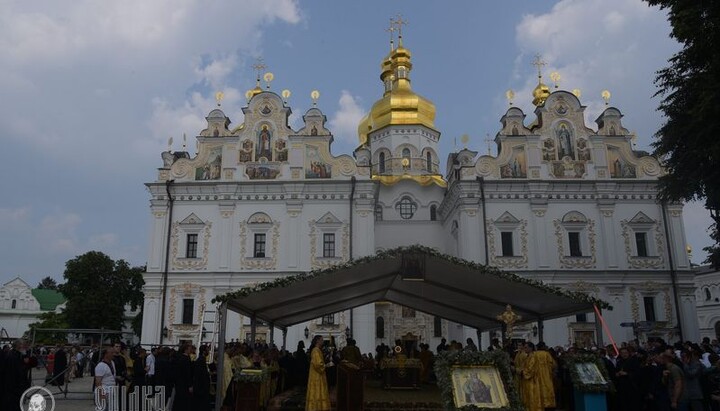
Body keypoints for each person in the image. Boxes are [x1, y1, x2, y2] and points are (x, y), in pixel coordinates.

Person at [1, 339, 31, 411]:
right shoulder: (13, 357)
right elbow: (16, 373)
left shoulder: (16, 355)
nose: (25, 347)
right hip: (13, 389)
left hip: (14, 388)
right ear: (18, 346)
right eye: (24, 345)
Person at [306, 335, 331, 411]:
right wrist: (326, 365)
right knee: (317, 392)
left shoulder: (317, 350)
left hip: (317, 375)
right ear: (317, 341)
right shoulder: (316, 350)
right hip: (317, 376)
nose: (323, 341)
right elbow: (318, 364)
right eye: (322, 340)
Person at [534, 342, 557, 409]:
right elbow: (553, 364)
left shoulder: (534, 354)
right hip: (547, 375)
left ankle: (540, 404)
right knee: (547, 389)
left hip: (537, 376)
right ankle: (548, 404)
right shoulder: (547, 354)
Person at [174, 343, 194, 411]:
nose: (191, 350)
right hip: (184, 384)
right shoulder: (185, 359)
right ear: (186, 350)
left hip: (179, 382)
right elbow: (187, 373)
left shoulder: (179, 357)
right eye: (189, 349)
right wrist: (190, 385)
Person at [193, 345, 211, 411]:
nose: (208, 351)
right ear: (204, 351)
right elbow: (199, 375)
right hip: (201, 388)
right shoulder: (200, 361)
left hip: (202, 387)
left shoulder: (202, 360)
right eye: (207, 350)